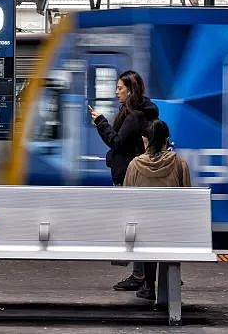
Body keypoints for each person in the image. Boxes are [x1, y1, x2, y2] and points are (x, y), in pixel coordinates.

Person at [88, 70, 159, 292]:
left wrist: (100, 122)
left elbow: (117, 142)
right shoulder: (133, 112)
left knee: (135, 226)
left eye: (120, 88)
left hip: (130, 177)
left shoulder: (134, 116)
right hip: (131, 174)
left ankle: (140, 275)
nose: (116, 91)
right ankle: (141, 274)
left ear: (130, 90)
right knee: (135, 226)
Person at [123, 119, 192, 300]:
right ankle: (169, 283)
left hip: (143, 231)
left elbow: (125, 200)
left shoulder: (135, 165)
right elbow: (187, 199)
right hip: (172, 230)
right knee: (167, 228)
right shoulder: (179, 164)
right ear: (166, 140)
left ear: (146, 140)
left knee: (145, 229)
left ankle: (147, 285)